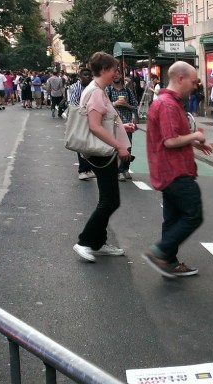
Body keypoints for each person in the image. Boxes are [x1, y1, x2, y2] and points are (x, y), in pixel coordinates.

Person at [142, 61, 213, 278]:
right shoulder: (168, 105)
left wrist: (193, 143)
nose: (195, 86)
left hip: (167, 171)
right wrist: (196, 136)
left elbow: (169, 137)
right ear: (180, 79)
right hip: (175, 171)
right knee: (193, 215)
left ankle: (168, 261)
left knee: (172, 219)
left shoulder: (166, 102)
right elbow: (170, 141)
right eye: (193, 82)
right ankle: (160, 252)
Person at [72, 52, 136, 263]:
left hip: (101, 151)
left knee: (109, 200)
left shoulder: (95, 89)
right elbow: (94, 126)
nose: (116, 73)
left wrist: (122, 126)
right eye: (115, 69)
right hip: (102, 152)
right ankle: (84, 242)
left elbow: (103, 121)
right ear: (106, 70)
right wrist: (119, 145)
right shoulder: (97, 93)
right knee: (110, 201)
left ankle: (98, 243)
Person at [106, 68, 139, 181]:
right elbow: (103, 105)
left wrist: (127, 105)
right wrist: (115, 103)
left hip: (127, 122)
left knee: (128, 147)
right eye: (113, 73)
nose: (115, 75)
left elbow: (135, 106)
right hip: (113, 123)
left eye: (117, 73)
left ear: (121, 75)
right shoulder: (108, 90)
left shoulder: (128, 91)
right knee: (116, 147)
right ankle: (119, 171)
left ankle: (125, 169)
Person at [68, 68, 96, 181]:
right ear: (80, 75)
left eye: (89, 75)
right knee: (82, 145)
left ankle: (89, 169)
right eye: (85, 75)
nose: (87, 77)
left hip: (93, 119)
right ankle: (83, 170)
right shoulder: (75, 87)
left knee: (91, 144)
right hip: (80, 118)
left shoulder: (94, 87)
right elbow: (74, 104)